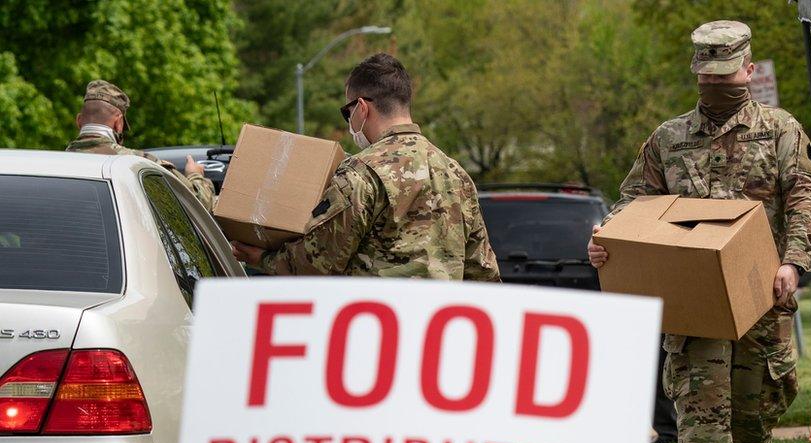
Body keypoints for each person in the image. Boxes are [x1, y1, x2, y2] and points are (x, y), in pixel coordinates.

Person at [587, 21, 811, 443]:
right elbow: (635, 205)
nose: (719, 86)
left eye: (728, 75)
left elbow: (805, 199)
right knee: (699, 402)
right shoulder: (668, 139)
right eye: (709, 76)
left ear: (749, 69)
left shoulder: (780, 130)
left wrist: (794, 262)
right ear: (697, 74)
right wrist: (607, 239)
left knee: (756, 399)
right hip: (692, 297)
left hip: (762, 293)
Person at [232, 53, 500, 282]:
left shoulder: (361, 172)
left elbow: (319, 262)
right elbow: (483, 272)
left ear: (361, 107)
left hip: (375, 332)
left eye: (346, 112)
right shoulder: (457, 174)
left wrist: (263, 259)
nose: (349, 121)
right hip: (434, 335)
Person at [66, 80, 216, 209]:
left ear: (79, 121)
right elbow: (200, 203)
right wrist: (195, 175)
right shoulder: (139, 164)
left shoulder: (49, 165)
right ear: (118, 123)